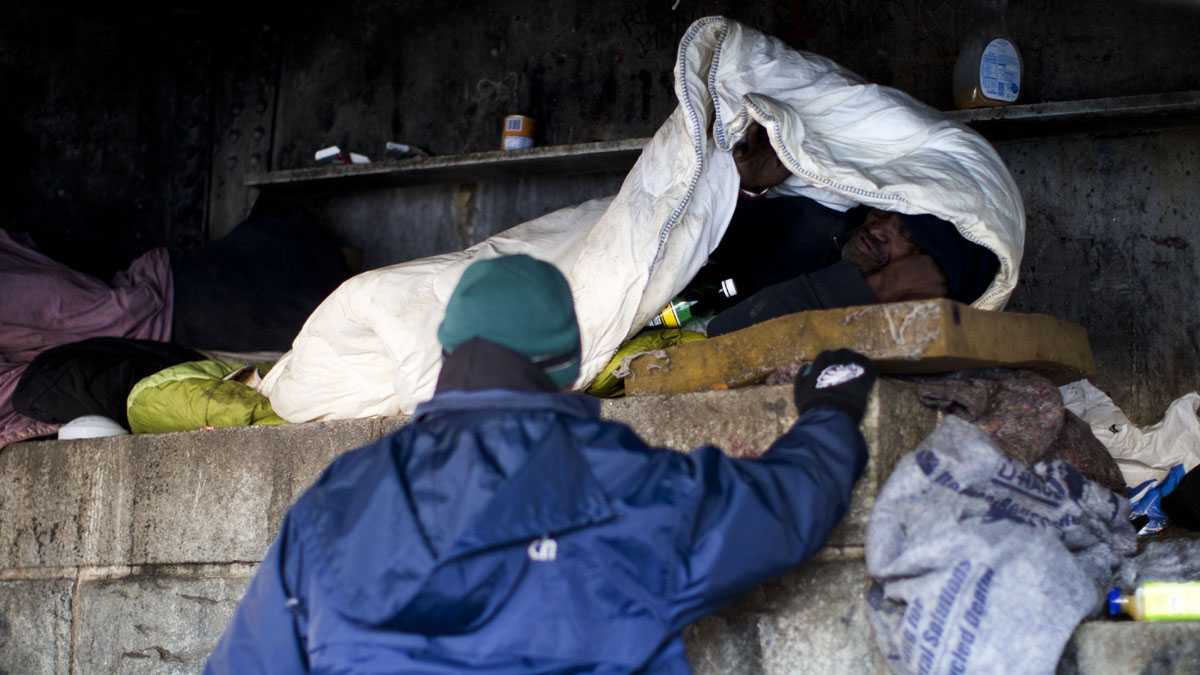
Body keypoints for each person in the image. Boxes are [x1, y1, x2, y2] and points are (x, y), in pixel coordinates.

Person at [205, 254, 877, 674]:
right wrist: (831, 410)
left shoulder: (337, 503)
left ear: (447, 356)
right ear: (565, 368)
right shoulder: (629, 484)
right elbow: (784, 508)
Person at [697, 123, 1000, 337]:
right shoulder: (820, 226)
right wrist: (745, 184)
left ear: (930, 276)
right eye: (883, 213)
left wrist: (882, 286)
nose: (879, 227)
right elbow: (705, 245)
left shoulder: (899, 335)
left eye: (908, 235)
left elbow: (726, 335)